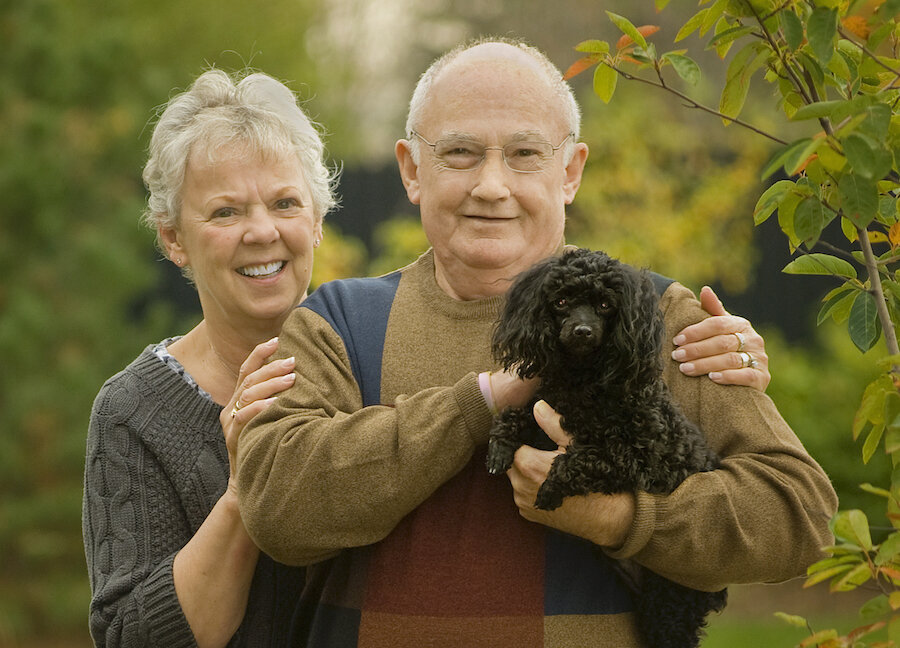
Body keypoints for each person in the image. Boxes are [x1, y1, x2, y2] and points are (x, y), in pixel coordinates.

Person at [235, 38, 837, 647]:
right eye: (461, 152)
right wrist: (475, 404)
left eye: (525, 153)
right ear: (413, 170)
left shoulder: (652, 319)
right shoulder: (339, 322)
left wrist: (622, 517)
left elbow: (796, 514)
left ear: (570, 171)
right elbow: (278, 512)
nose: (491, 185)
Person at [82, 69, 337, 647]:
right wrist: (245, 487)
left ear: (317, 221)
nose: (262, 231)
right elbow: (130, 639)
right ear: (174, 239)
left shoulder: (375, 355)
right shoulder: (133, 412)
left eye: (285, 203)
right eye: (226, 212)